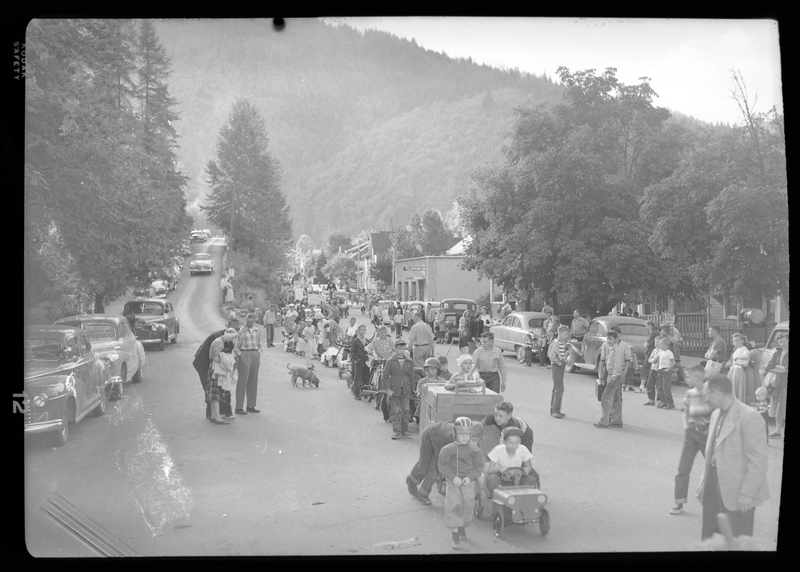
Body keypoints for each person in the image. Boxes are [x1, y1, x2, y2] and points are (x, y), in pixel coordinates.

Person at [697, 374, 769, 540]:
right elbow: (712, 452)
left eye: (706, 394)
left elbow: (758, 461)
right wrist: (703, 482)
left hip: (738, 491)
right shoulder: (716, 414)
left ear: (718, 394)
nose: (704, 398)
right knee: (710, 537)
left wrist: (748, 494)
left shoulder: (750, 417)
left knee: (735, 540)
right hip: (713, 485)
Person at [407, 420, 485, 506]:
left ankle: (422, 492)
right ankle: (413, 482)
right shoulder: (455, 437)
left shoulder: (472, 443)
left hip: (440, 437)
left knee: (434, 470)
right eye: (472, 440)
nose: (474, 443)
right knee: (428, 467)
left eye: (476, 441)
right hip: (430, 436)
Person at [670, 365, 712, 515]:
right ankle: (679, 503)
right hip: (692, 434)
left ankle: (717, 504)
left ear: (699, 378)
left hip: (708, 435)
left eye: (690, 377)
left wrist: (710, 431)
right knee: (683, 468)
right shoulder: (689, 394)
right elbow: (686, 412)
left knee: (714, 469)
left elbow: (717, 415)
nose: (687, 379)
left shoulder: (710, 394)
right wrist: (687, 427)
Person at [437, 417, 484, 550]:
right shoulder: (447, 450)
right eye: (461, 434)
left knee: (468, 505)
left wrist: (471, 477)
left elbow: (479, 466)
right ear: (454, 433)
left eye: (468, 434)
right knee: (454, 506)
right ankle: (455, 535)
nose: (465, 437)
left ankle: (462, 526)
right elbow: (442, 466)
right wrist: (453, 477)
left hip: (468, 482)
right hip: (453, 483)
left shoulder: (474, 449)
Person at [485, 427, 538, 498]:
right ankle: (497, 500)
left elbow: (528, 466)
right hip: (502, 480)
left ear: (520, 442)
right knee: (492, 478)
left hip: (517, 478)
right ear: (504, 442)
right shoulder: (498, 450)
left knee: (531, 479)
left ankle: (525, 500)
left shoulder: (523, 449)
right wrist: (500, 469)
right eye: (510, 443)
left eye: (516, 443)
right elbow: (490, 470)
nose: (513, 446)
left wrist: (526, 470)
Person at [595, 330, 631, 428]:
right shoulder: (610, 348)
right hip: (612, 374)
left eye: (611, 339)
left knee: (606, 397)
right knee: (616, 397)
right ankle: (616, 420)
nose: (608, 340)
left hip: (614, 375)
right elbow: (604, 361)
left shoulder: (618, 350)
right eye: (608, 338)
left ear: (616, 339)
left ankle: (605, 421)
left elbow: (618, 366)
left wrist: (614, 377)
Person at [382, 338, 415, 438]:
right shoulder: (390, 361)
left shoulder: (409, 361)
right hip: (394, 390)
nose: (401, 351)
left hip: (406, 390)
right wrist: (388, 389)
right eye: (399, 348)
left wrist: (413, 389)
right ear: (395, 349)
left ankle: (404, 431)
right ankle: (397, 431)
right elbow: (385, 377)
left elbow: (411, 377)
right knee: (395, 411)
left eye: (403, 349)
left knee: (406, 411)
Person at [192, 328, 225, 420]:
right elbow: (216, 356)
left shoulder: (220, 335)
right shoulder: (218, 338)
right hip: (203, 363)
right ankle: (210, 414)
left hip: (205, 361)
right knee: (209, 387)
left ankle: (213, 413)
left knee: (210, 388)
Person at [207, 328, 238, 424]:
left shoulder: (217, 340)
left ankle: (213, 415)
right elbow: (216, 359)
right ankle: (217, 417)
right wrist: (227, 359)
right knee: (216, 393)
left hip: (213, 369)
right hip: (216, 370)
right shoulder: (220, 343)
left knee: (213, 393)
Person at [233, 312, 262, 415]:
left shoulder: (257, 330)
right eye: (248, 322)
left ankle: (251, 405)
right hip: (244, 354)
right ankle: (239, 407)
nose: (249, 324)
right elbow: (236, 347)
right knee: (242, 381)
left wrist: (258, 353)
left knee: (253, 381)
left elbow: (259, 344)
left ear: (254, 321)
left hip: (254, 354)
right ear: (245, 321)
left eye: (251, 322)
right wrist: (241, 357)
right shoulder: (241, 331)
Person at [764, 332, 788, 439]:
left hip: (784, 383)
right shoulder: (777, 352)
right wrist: (781, 368)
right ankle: (778, 430)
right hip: (778, 383)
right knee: (779, 407)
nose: (782, 344)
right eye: (780, 342)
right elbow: (769, 367)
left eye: (784, 342)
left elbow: (786, 369)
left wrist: (779, 368)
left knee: (783, 406)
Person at [548, 325, 570, 418]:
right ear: (560, 333)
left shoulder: (561, 342)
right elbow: (552, 356)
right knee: (559, 389)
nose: (566, 336)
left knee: (557, 387)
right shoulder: (556, 342)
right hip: (557, 366)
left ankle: (554, 409)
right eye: (565, 334)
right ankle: (555, 410)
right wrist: (559, 363)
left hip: (559, 365)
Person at [650, 336, 676, 409]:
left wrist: (668, 369)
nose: (659, 345)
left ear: (665, 345)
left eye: (661, 344)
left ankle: (670, 404)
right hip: (660, 370)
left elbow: (673, 362)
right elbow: (657, 360)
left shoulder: (669, 352)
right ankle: (663, 401)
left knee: (666, 388)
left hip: (666, 371)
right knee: (660, 387)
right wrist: (655, 365)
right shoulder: (660, 352)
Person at [726, 333, 751, 404]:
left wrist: (738, 357)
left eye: (737, 341)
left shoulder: (744, 349)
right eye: (734, 341)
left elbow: (746, 355)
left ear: (742, 341)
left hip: (738, 369)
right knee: (731, 386)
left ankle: (737, 404)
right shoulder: (737, 349)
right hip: (733, 369)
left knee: (736, 387)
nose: (736, 343)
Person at [639, 320, 659, 395]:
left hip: (652, 352)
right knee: (652, 369)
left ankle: (642, 386)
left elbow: (647, 343)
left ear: (650, 325)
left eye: (646, 325)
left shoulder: (654, 333)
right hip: (651, 351)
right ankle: (654, 387)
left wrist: (646, 344)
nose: (645, 327)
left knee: (645, 368)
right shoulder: (653, 332)